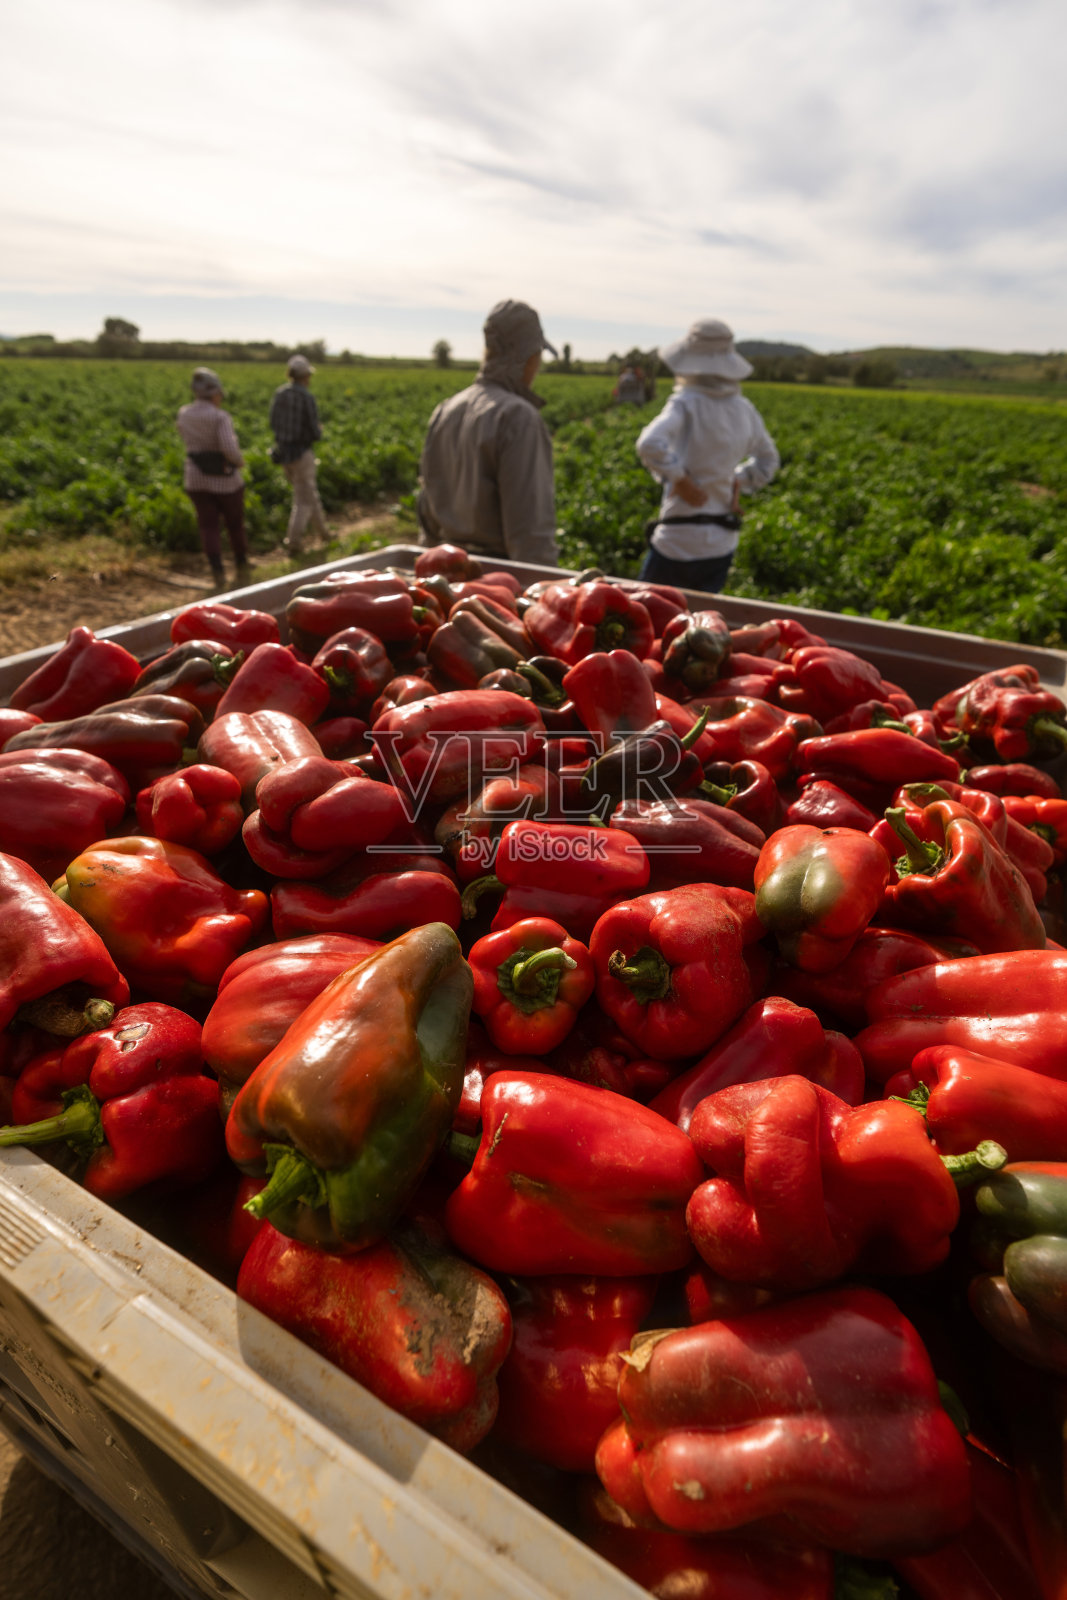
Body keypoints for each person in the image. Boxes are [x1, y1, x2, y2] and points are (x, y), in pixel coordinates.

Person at [635, 318, 779, 594]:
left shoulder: (686, 402)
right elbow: (768, 462)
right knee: (701, 627)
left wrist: (680, 479)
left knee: (649, 621)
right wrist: (736, 480)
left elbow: (650, 443)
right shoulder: (745, 409)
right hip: (721, 546)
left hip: (676, 542)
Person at [417, 300, 560, 566]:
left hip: (446, 570)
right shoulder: (519, 418)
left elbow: (426, 510)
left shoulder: (446, 409)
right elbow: (530, 536)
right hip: (497, 580)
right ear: (529, 356)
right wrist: (541, 592)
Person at [175, 367, 251, 588]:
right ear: (214, 393)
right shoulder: (219, 417)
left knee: (208, 525)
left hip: (195, 477)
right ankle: (241, 563)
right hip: (225, 481)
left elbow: (184, 437)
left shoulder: (184, 413)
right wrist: (239, 461)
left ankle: (217, 570)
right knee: (234, 524)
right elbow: (228, 448)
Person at [269, 353, 329, 554]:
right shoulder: (306, 396)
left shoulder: (280, 394)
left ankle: (324, 533)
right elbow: (313, 431)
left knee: (309, 493)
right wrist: (319, 430)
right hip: (302, 453)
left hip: (283, 453)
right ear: (305, 376)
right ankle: (293, 542)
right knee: (303, 499)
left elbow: (272, 423)